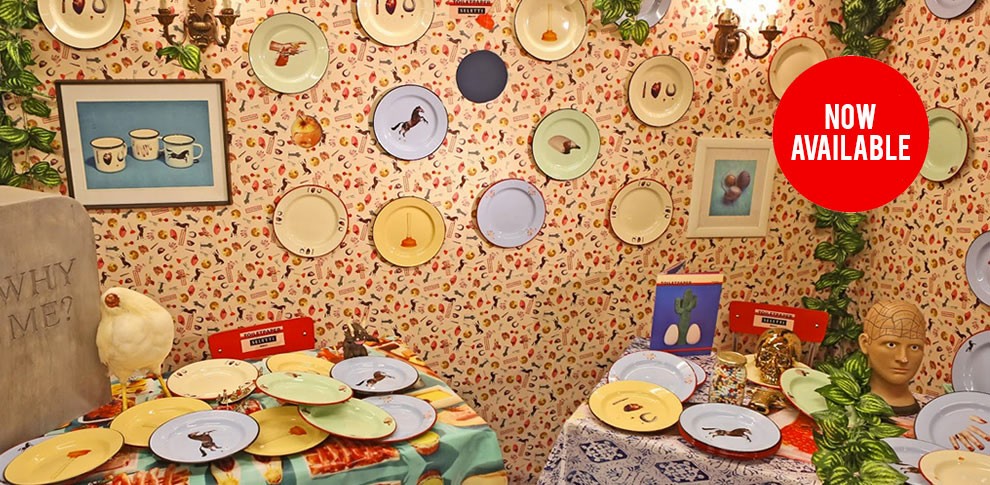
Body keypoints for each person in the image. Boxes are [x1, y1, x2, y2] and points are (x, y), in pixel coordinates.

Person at [858, 301, 926, 415]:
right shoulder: (843, 413)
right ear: (865, 343)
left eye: (914, 347)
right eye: (891, 345)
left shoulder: (935, 415)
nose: (903, 358)